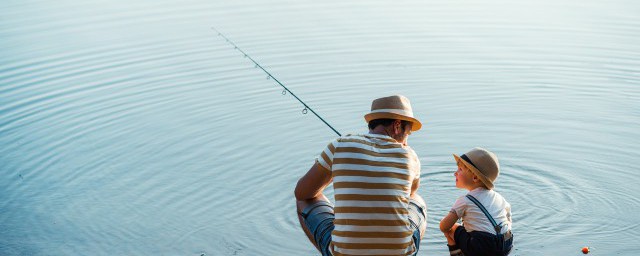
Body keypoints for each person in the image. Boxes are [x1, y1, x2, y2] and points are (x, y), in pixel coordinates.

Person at [295, 95, 427, 256]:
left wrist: (338, 169)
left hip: (344, 253)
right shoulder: (410, 156)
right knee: (418, 200)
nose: (406, 141)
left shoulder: (340, 145)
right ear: (397, 125)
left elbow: (302, 193)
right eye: (408, 133)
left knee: (304, 200)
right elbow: (411, 193)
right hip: (401, 253)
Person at [439, 148, 514, 256]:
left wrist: (443, 223)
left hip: (482, 246)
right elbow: (508, 218)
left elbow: (444, 226)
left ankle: (457, 254)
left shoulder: (464, 200)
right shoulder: (500, 198)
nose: (455, 173)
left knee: (452, 228)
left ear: (474, 177)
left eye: (459, 169)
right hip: (506, 243)